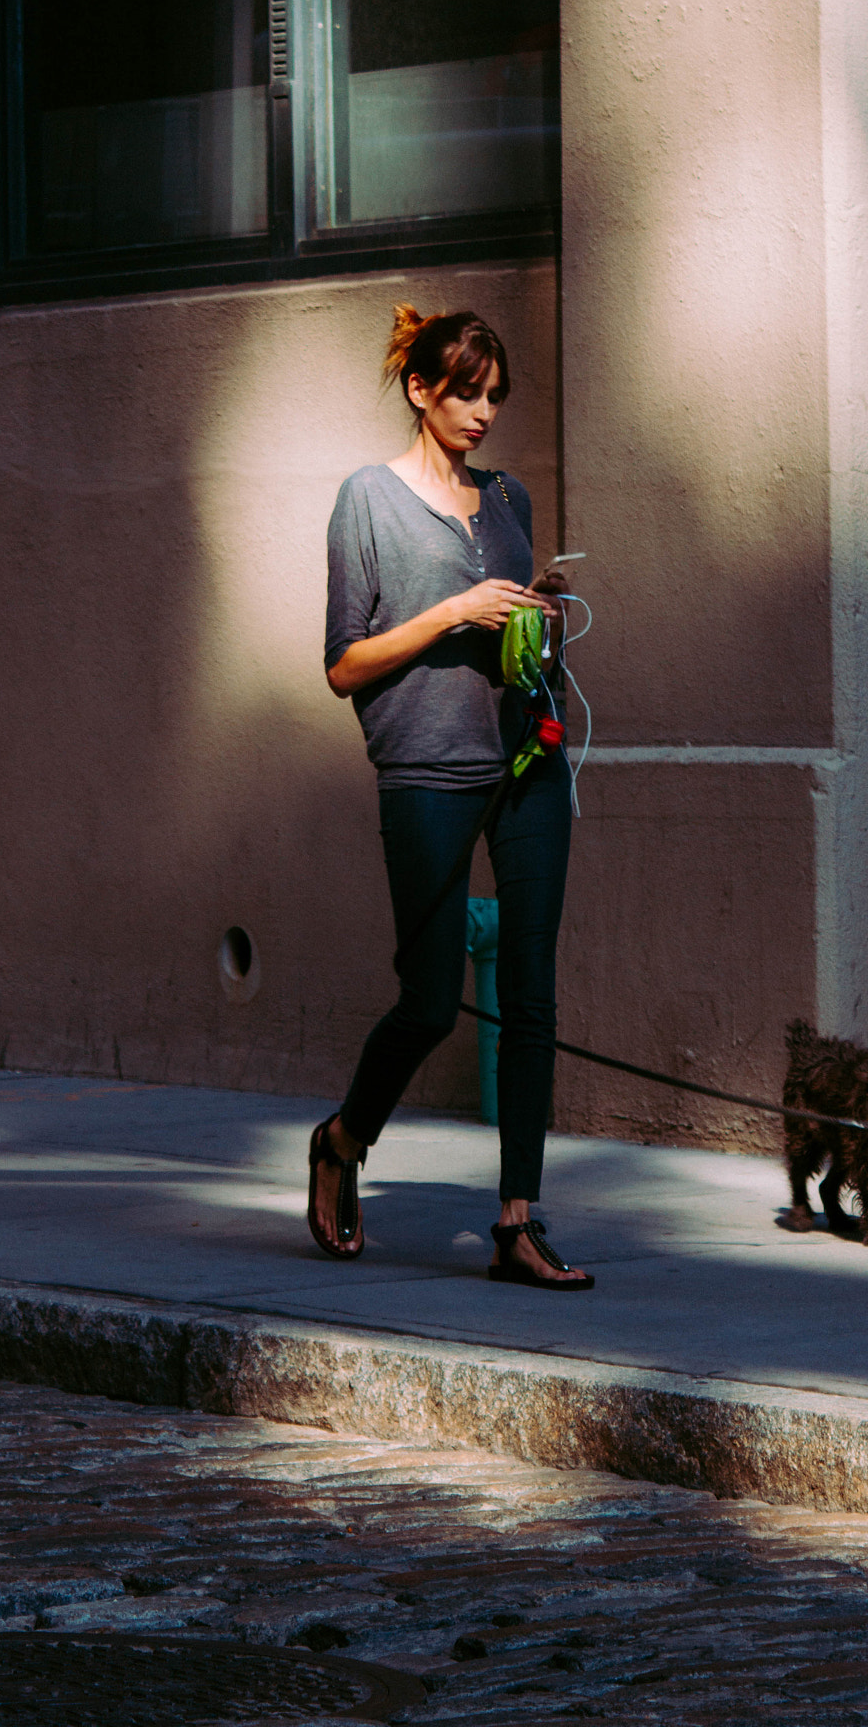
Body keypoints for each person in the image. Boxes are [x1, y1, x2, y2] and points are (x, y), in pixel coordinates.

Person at [310, 304, 593, 1290]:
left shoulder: (506, 497)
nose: (482, 412)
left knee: (530, 994)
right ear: (420, 388)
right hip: (427, 773)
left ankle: (517, 1217)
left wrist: (537, 611)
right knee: (430, 1002)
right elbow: (345, 665)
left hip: (526, 762)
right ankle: (343, 1141)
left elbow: (508, 615)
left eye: (493, 396)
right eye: (465, 392)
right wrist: (454, 611)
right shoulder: (367, 500)